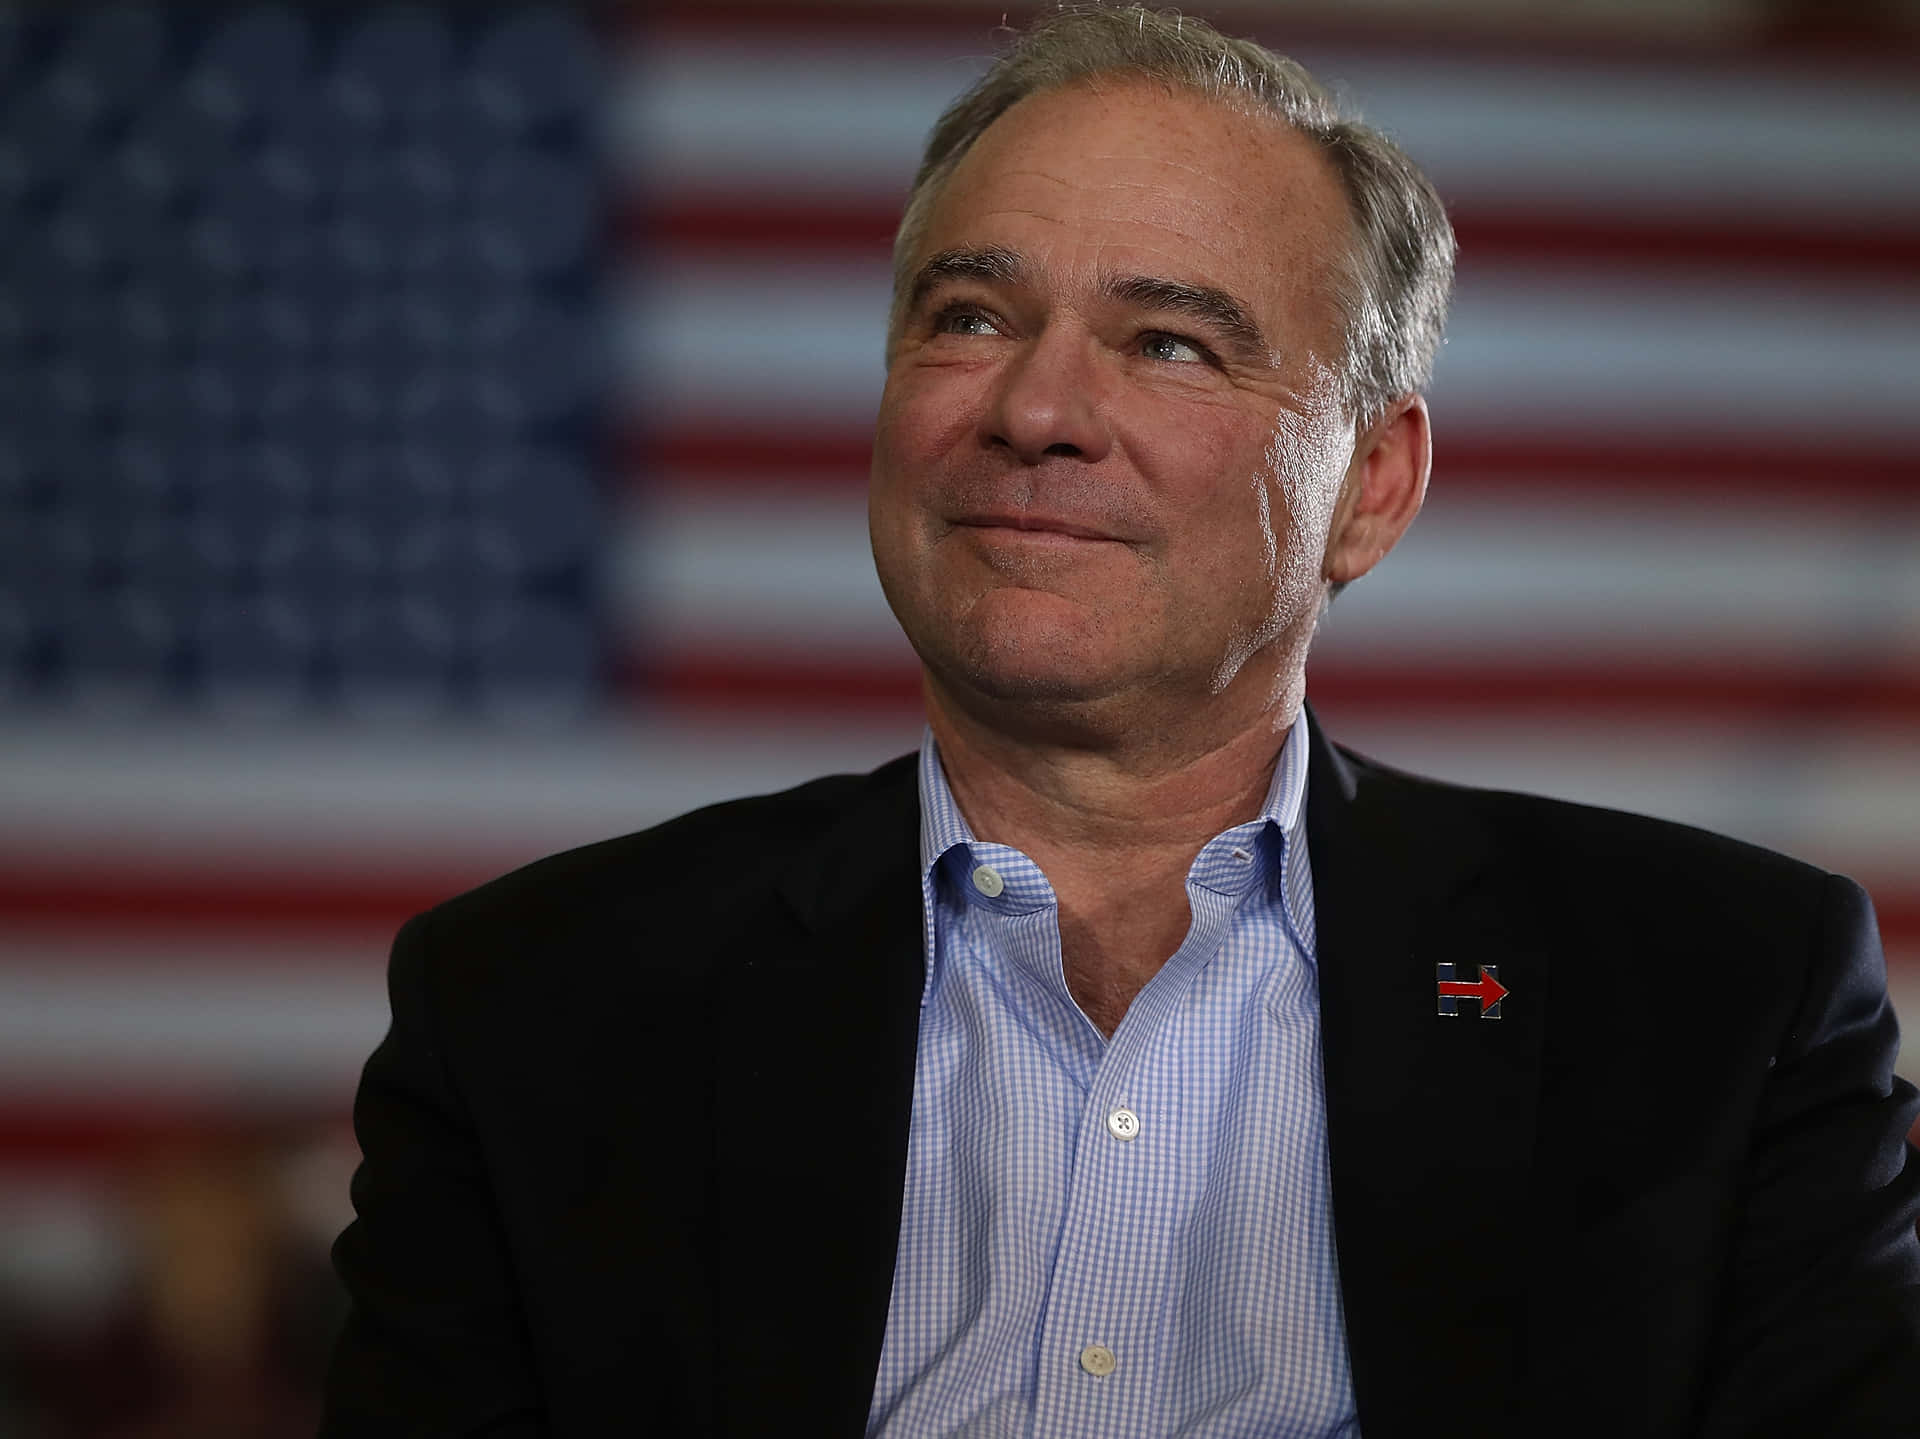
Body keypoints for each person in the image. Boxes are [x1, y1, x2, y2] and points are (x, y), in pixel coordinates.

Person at [321, 7, 1920, 1436]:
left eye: (1171, 342)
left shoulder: (1723, 1004)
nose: (1034, 410)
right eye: (966, 316)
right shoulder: (536, 1003)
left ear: (1372, 487)